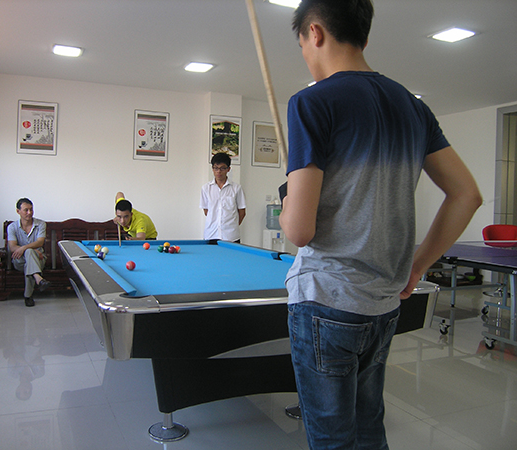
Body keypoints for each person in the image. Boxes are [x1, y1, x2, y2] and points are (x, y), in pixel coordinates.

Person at [278, 1, 483, 449]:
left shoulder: (311, 101)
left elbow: (299, 231)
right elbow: (467, 195)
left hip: (326, 301)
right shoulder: (413, 107)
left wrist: (287, 204)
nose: (305, 54)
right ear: (364, 37)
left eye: (301, 44)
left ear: (315, 33)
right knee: (369, 430)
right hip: (384, 304)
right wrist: (418, 265)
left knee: (332, 440)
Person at [7, 198, 50, 307]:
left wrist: (24, 248)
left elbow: (40, 242)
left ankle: (29, 294)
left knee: (29, 264)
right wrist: (31, 250)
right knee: (29, 256)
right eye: (26, 210)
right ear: (18, 211)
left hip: (39, 259)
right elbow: (12, 247)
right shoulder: (12, 227)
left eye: (31, 209)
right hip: (19, 260)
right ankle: (37, 279)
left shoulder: (40, 224)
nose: (29, 212)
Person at [200, 152, 246, 242]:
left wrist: (232, 226)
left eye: (222, 168)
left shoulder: (237, 188)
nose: (218, 171)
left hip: (231, 236)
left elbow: (242, 212)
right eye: (216, 168)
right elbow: (206, 211)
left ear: (228, 169)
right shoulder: (206, 188)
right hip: (211, 234)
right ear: (212, 168)